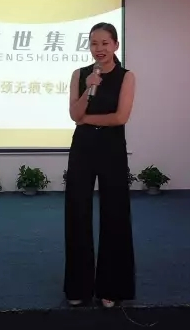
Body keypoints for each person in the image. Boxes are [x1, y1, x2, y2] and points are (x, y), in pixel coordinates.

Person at [63, 22, 136, 308]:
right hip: (82, 147)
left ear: (115, 45)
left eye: (105, 43)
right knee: (77, 212)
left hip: (111, 148)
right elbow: (74, 113)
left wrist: (87, 119)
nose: (99, 49)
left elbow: (120, 117)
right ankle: (78, 287)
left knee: (114, 213)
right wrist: (88, 89)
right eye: (94, 43)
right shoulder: (80, 75)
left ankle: (111, 288)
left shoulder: (126, 77)